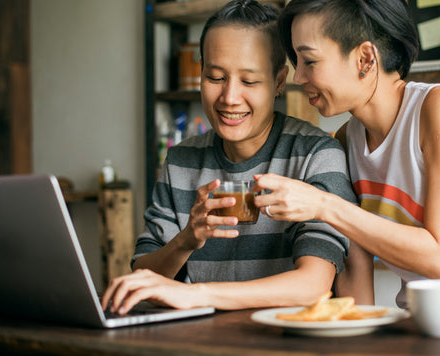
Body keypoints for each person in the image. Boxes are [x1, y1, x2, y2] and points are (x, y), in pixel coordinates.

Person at [252, 0, 440, 316]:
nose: (298, 77)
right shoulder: (345, 140)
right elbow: (355, 268)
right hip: (420, 321)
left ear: (366, 59)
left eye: (310, 61)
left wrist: (323, 204)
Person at [101, 0, 356, 314]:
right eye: (215, 77)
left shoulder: (316, 155)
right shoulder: (182, 161)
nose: (230, 98)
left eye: (249, 81)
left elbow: (312, 286)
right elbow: (147, 281)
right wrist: (186, 240)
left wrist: (198, 295)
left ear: (278, 81)